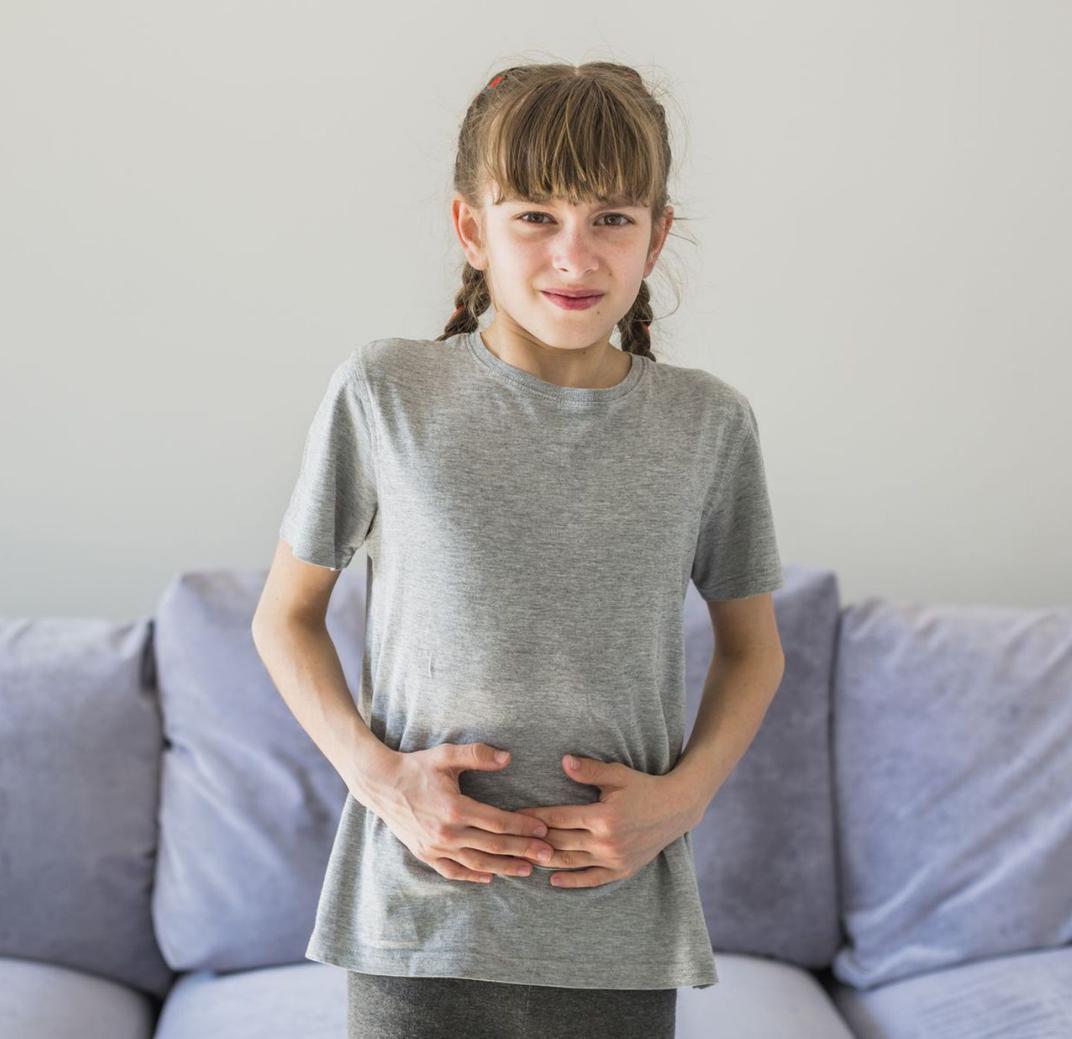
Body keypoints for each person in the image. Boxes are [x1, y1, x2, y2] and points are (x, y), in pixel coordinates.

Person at [252, 59, 787, 1039]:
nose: (575, 258)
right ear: (472, 228)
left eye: (612, 219)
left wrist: (683, 800)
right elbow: (285, 619)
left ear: (657, 233)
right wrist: (382, 782)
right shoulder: (386, 393)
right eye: (536, 215)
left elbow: (755, 648)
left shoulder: (708, 424)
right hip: (420, 919)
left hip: (615, 924)